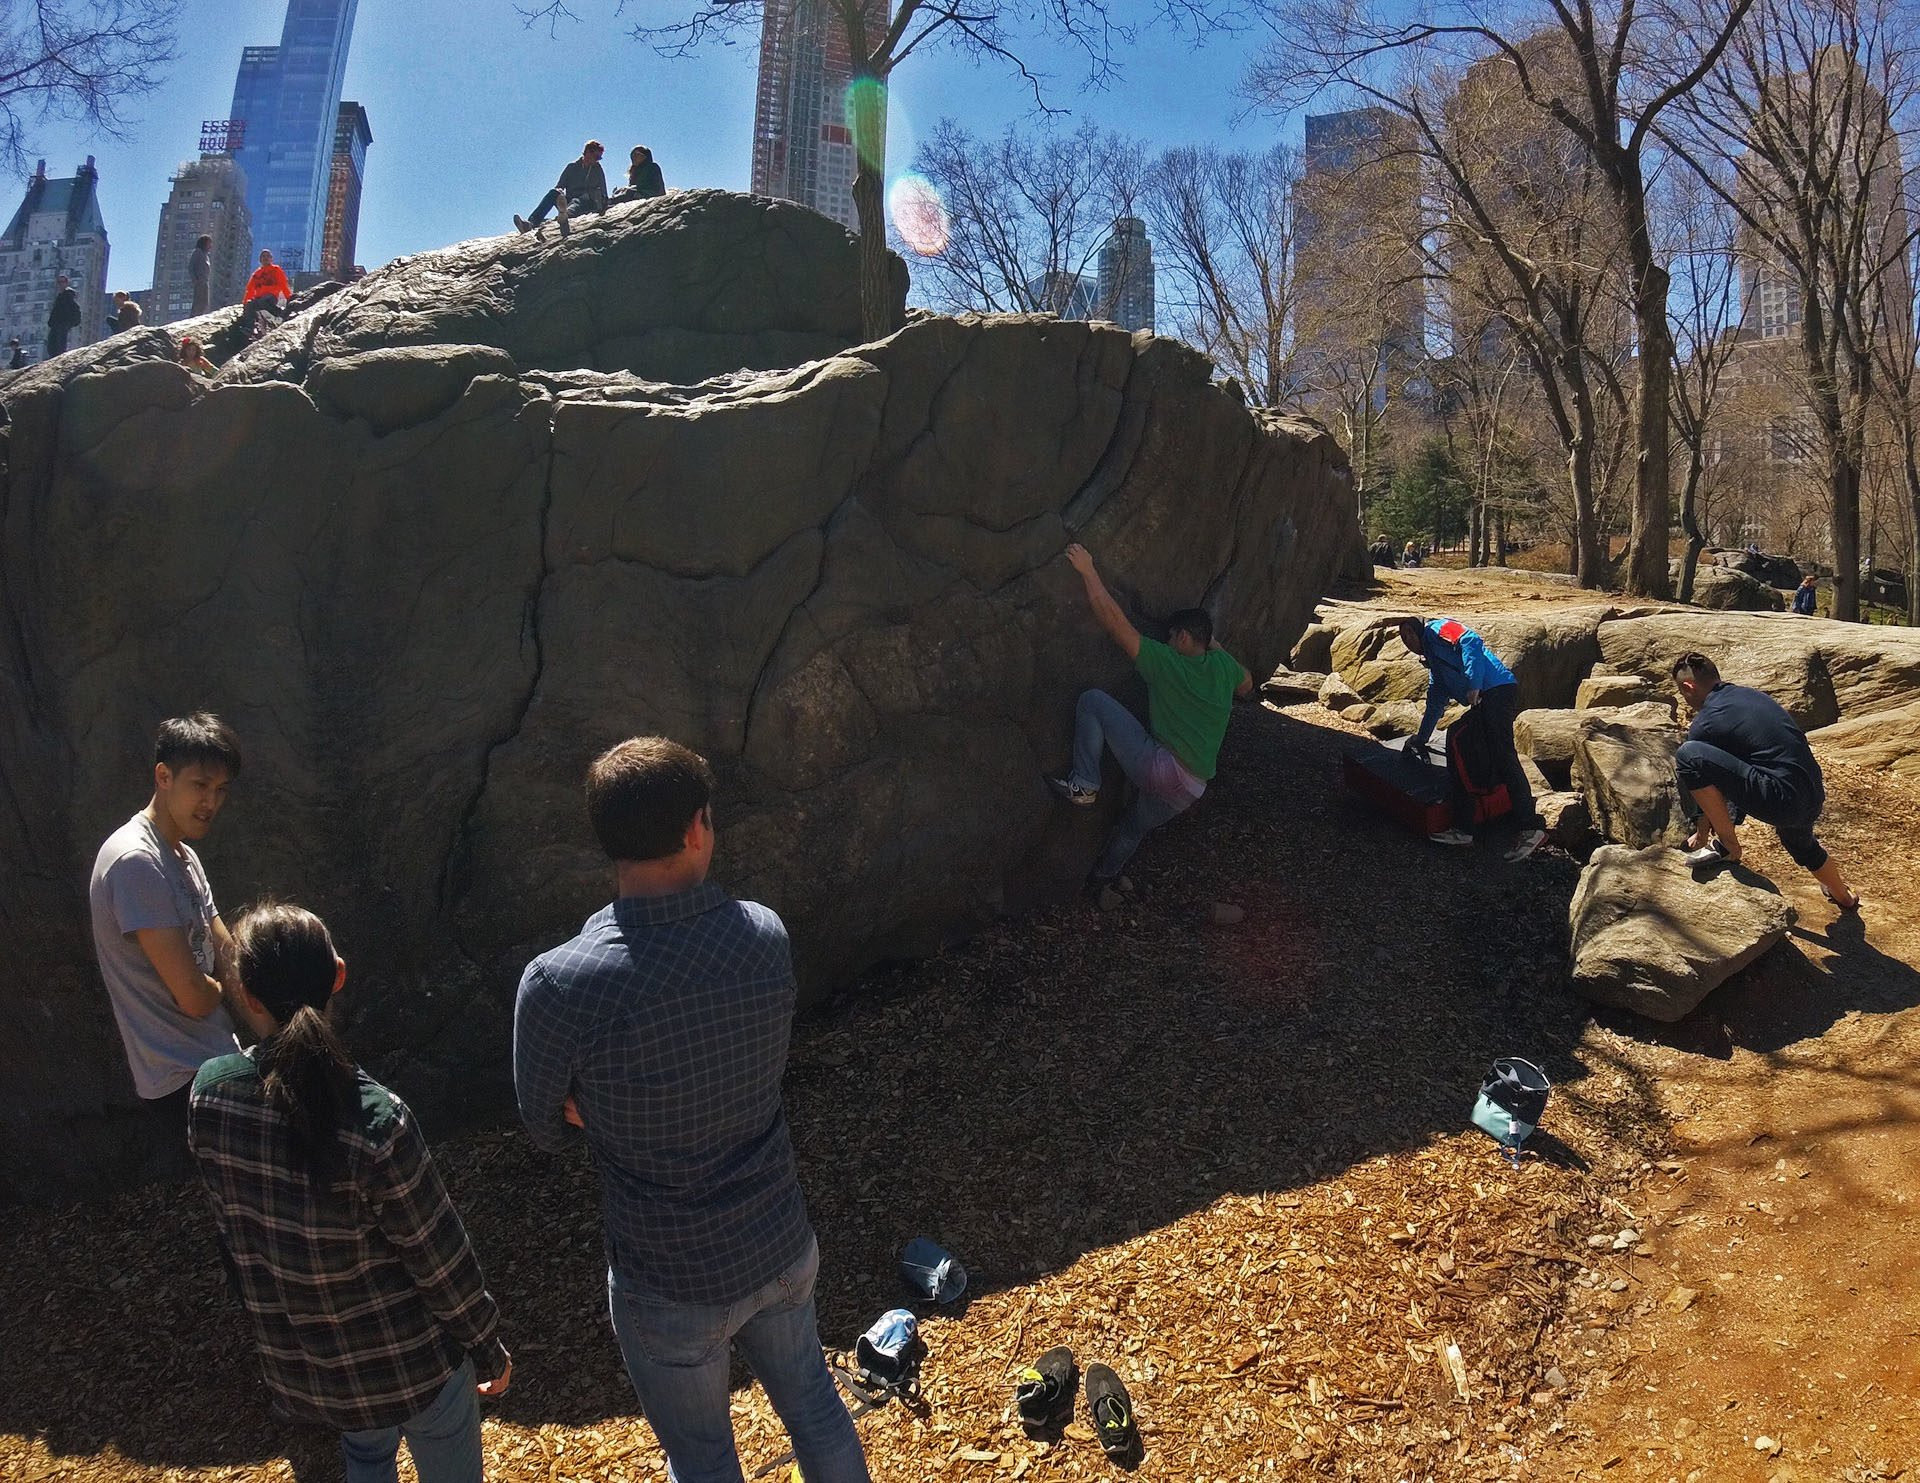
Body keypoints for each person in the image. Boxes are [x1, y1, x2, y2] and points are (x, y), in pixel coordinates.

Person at [515, 738, 871, 1483]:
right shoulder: (763, 935)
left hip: (666, 1272)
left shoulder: (556, 984)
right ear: (698, 828)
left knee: (703, 1456)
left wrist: (600, 1108)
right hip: (777, 1239)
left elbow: (543, 1123)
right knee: (814, 1401)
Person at [190, 902, 512, 1482]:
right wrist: (486, 1343)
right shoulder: (378, 1121)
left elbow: (236, 1239)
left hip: (314, 1369)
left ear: (246, 992)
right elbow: (439, 1260)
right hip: (413, 1366)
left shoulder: (210, 1100)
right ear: (339, 974)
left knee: (365, 1455)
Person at [88, 714, 255, 1173]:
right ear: (163, 776)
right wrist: (223, 987)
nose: (211, 801)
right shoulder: (135, 861)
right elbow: (196, 997)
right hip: (184, 1080)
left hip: (215, 1061)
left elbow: (226, 951)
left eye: (221, 790)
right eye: (200, 785)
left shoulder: (183, 855)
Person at [1047, 543, 1252, 885]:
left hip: (1163, 771)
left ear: (1183, 637)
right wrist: (1217, 648)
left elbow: (1116, 624)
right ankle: (1103, 879)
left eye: (1172, 636)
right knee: (1132, 828)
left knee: (1093, 701)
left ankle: (1084, 784)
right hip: (1191, 789)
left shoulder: (1166, 662)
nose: (1169, 641)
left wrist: (1088, 571)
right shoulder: (1224, 667)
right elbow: (1247, 684)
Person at [1670, 652, 1860, 909]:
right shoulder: (1749, 696)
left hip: (1781, 798)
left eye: (1684, 696)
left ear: (1688, 687)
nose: (1687, 702)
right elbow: (1737, 767)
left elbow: (1703, 772)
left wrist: (1703, 831)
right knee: (1802, 844)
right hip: (1811, 793)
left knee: (1688, 754)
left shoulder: (1706, 722)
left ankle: (1728, 845)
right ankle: (1843, 896)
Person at [1400, 616, 1547, 860]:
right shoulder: (1435, 666)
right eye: (1403, 637)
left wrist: (1474, 683)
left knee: (1502, 755)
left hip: (1497, 690)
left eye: (1409, 632)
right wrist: (1421, 738)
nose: (1408, 639)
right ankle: (1466, 828)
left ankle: (1530, 828)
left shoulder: (1437, 630)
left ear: (1419, 629)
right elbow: (1436, 702)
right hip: (1484, 699)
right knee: (1460, 743)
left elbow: (1469, 639)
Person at [513, 140, 608, 238]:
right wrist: (559, 191)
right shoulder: (572, 167)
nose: (597, 160)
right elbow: (560, 185)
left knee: (579, 200)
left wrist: (603, 204)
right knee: (553, 193)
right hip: (569, 200)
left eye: (599, 158)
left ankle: (564, 214)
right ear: (588, 152)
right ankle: (531, 223)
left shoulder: (597, 169)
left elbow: (604, 191)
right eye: (597, 157)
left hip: (587, 202)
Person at [45, 272, 80, 357]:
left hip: (63, 322)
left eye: (62, 282)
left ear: (66, 283)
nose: (61, 284)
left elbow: (74, 308)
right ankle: (54, 357)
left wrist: (71, 322)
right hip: (56, 323)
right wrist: (51, 321)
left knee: (60, 342)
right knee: (51, 342)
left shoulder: (68, 294)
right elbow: (56, 310)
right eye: (59, 282)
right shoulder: (60, 296)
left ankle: (60, 356)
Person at [190, 234, 214, 316]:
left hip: (205, 281)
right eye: (209, 243)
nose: (210, 246)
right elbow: (191, 267)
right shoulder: (197, 252)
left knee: (204, 302)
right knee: (198, 302)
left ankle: (200, 316)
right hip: (199, 281)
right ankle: (193, 318)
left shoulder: (206, 256)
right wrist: (195, 280)